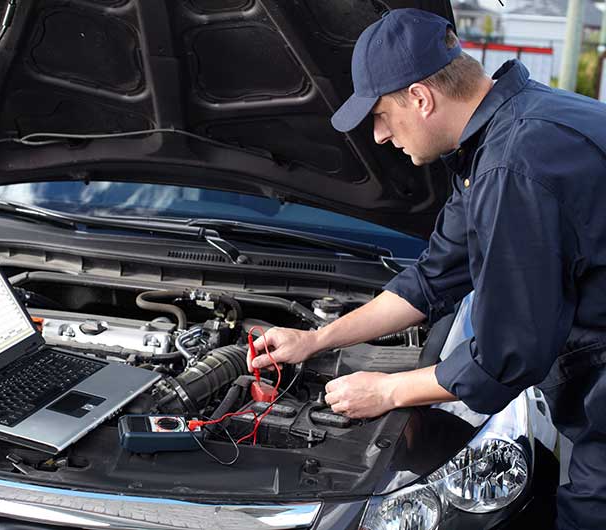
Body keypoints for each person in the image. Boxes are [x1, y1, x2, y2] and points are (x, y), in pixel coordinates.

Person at [247, 8, 606, 529]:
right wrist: (315, 341)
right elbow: (430, 280)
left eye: (380, 116)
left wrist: (389, 390)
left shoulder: (515, 166)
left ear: (420, 97)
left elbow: (506, 358)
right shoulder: (502, 137)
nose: (378, 137)